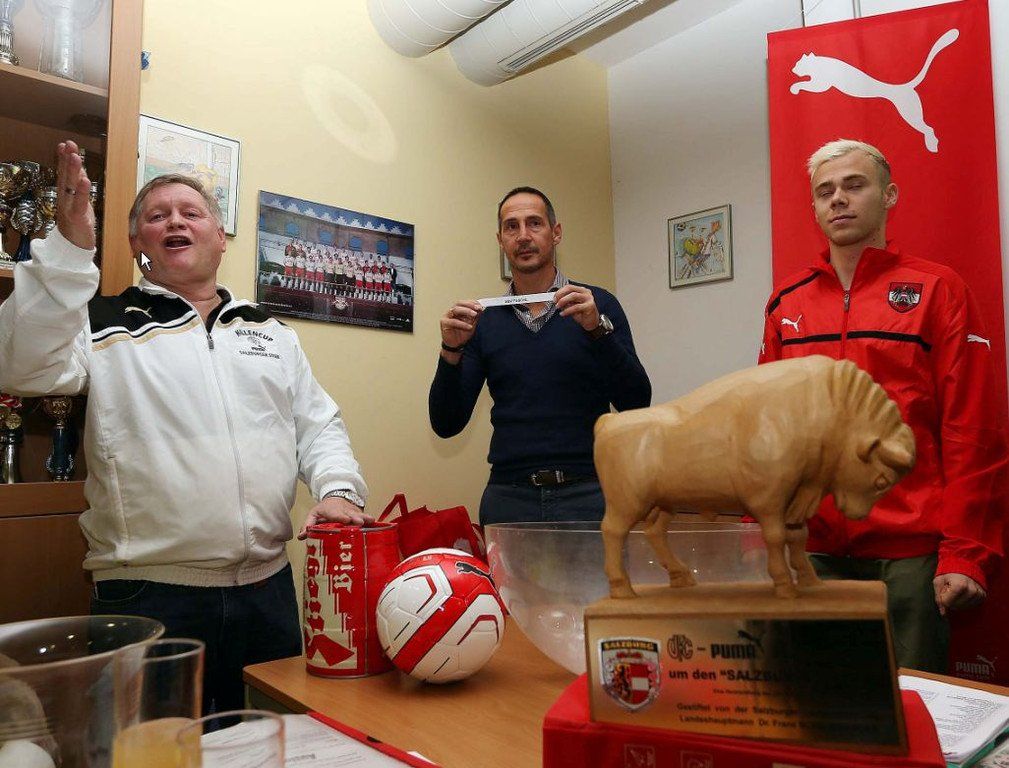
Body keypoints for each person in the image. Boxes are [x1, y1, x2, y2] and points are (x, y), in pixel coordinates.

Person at [0, 141, 372, 713]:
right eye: (157, 216)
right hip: (148, 598)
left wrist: (339, 489)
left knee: (274, 744)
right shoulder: (101, 322)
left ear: (220, 237)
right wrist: (70, 252)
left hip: (269, 594)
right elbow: (19, 365)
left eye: (190, 212)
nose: (175, 221)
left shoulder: (271, 333)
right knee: (151, 749)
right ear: (137, 243)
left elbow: (318, 425)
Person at [758, 138, 1007, 671]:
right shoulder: (786, 302)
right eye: (825, 191)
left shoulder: (938, 290)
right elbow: (770, 431)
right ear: (814, 207)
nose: (838, 199)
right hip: (811, 550)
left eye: (854, 185)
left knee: (910, 703)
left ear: (889, 195)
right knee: (817, 703)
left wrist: (965, 551)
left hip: (911, 555)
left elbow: (972, 430)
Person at [429, 186, 651, 525]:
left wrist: (596, 330)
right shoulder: (483, 321)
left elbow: (637, 402)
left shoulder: (598, 305)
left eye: (534, 223)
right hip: (509, 498)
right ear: (500, 240)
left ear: (555, 232)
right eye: (511, 226)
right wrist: (451, 350)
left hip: (590, 494)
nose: (523, 236)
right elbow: (446, 424)